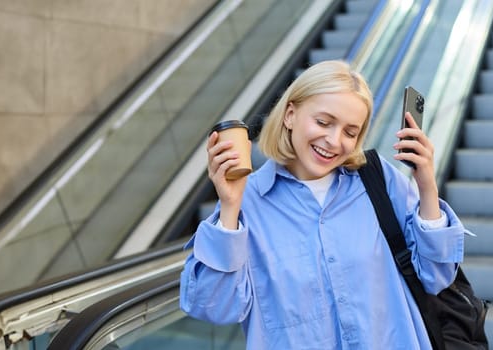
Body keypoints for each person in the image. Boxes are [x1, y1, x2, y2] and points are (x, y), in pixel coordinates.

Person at [179, 60, 467, 349]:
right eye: (323, 122)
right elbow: (215, 307)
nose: (333, 141)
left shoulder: (380, 182)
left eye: (350, 132)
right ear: (290, 115)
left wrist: (427, 186)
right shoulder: (247, 202)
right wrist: (229, 206)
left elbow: (436, 277)